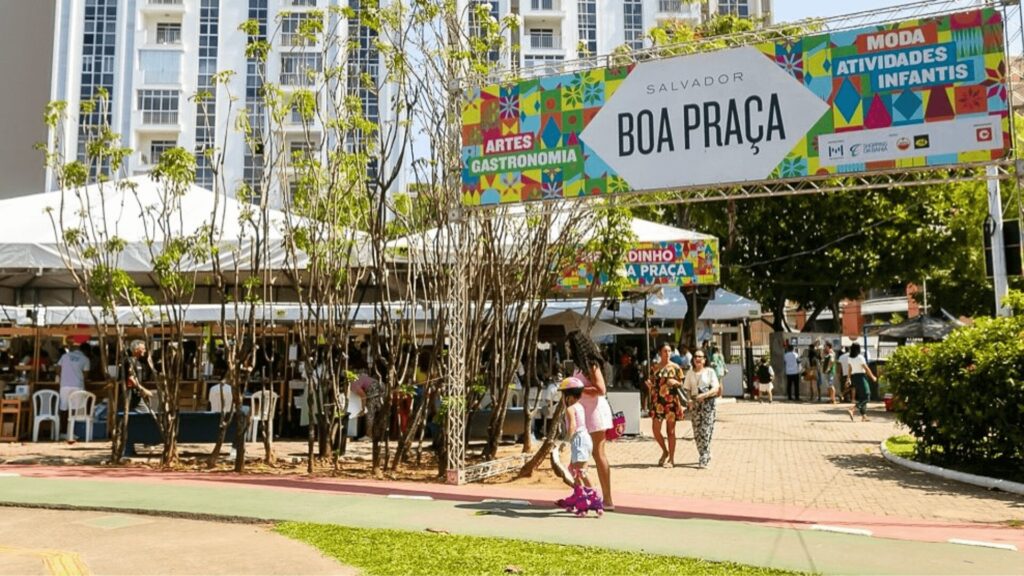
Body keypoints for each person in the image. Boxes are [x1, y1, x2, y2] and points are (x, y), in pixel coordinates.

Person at [567, 330, 615, 511]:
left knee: (597, 453)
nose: (567, 350)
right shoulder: (579, 366)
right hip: (584, 412)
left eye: (569, 346)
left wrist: (577, 389)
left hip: (595, 412)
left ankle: (607, 498)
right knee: (581, 454)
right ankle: (585, 493)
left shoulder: (591, 365)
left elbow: (601, 389)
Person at [554, 376, 603, 517]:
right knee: (575, 470)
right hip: (585, 438)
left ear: (568, 396)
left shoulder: (570, 409)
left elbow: (573, 427)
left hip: (579, 440)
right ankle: (578, 495)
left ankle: (592, 498)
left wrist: (565, 441)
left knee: (581, 471)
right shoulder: (580, 406)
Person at [645, 343, 685, 468]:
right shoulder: (655, 367)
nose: (667, 353)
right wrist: (650, 385)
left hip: (671, 402)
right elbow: (651, 382)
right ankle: (665, 451)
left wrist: (676, 382)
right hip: (658, 401)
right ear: (660, 353)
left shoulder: (676, 367)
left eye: (669, 351)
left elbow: (682, 384)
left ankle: (671, 459)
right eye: (664, 351)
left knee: (671, 431)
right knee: (655, 430)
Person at [684, 349, 721, 469]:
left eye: (700, 356)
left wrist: (704, 396)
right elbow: (688, 389)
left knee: (706, 430)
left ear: (705, 360)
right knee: (697, 431)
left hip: (708, 404)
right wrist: (689, 400)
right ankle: (705, 452)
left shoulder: (710, 372)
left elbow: (715, 388)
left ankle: (703, 457)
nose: (697, 358)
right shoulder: (690, 373)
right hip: (695, 405)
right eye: (696, 356)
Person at [57, 343, 91, 439]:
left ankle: (63, 432)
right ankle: (72, 432)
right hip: (77, 386)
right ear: (87, 351)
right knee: (74, 410)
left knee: (64, 409)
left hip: (64, 386)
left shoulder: (65, 356)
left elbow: (58, 369)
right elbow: (86, 376)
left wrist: (64, 377)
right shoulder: (85, 359)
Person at [844, 343, 877, 422]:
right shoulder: (860, 357)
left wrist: (848, 379)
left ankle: (864, 416)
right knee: (867, 395)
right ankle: (852, 409)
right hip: (861, 377)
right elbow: (866, 368)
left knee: (862, 397)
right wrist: (873, 377)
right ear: (858, 349)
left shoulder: (850, 358)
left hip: (854, 377)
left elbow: (849, 369)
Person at [125, 340, 153, 412]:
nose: (145, 350)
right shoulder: (130, 361)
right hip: (130, 396)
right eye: (143, 349)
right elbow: (131, 378)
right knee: (147, 415)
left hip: (136, 396)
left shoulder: (138, 362)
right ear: (136, 350)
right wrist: (143, 390)